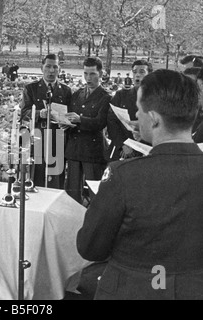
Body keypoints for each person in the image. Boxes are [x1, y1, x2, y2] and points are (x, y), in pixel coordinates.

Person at [77, 69, 203, 300]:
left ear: (154, 118)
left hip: (131, 289)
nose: (136, 114)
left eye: (139, 108)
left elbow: (91, 247)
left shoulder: (123, 176)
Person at [20, 53, 72, 189]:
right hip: (38, 136)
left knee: (56, 178)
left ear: (59, 69)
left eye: (55, 67)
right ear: (41, 68)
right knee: (37, 176)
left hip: (58, 139)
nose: (51, 70)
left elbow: (70, 114)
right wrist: (38, 113)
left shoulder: (66, 91)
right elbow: (24, 113)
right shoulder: (31, 89)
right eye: (48, 66)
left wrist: (67, 122)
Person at [64, 57, 111, 204]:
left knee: (95, 193)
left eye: (92, 74)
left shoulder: (106, 97)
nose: (88, 78)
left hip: (93, 151)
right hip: (74, 149)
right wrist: (65, 123)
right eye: (85, 74)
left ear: (101, 74)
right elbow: (70, 116)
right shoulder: (77, 94)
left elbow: (100, 123)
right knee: (72, 193)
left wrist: (80, 120)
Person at [107, 60, 153, 161]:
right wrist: (123, 144)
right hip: (121, 149)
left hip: (146, 150)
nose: (137, 75)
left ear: (149, 75)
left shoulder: (156, 98)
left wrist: (139, 146)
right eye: (135, 72)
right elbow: (111, 122)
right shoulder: (121, 95)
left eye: (142, 72)